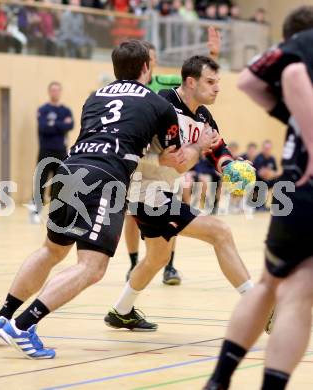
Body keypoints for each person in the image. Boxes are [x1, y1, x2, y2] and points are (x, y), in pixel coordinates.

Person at [0, 39, 186, 359]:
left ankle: (1, 316)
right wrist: (202, 147)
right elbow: (173, 159)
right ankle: (23, 325)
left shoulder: (94, 97)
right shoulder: (159, 104)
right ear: (147, 67)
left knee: (51, 249)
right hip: (105, 180)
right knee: (93, 266)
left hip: (68, 170)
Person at [104, 55, 256, 332]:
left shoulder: (203, 116)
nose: (217, 88)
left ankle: (121, 311)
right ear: (190, 82)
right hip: (145, 192)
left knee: (158, 258)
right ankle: (258, 306)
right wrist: (185, 151)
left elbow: (217, 149)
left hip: (163, 192)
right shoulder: (161, 106)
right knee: (219, 232)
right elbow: (154, 155)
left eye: (218, 82)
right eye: (210, 82)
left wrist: (233, 167)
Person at [204, 6, 313, 390]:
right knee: (300, 298)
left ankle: (218, 380)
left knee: (270, 285)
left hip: (296, 188)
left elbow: (250, 81)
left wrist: (289, 115)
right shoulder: (306, 48)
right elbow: (296, 71)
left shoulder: (300, 97)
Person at [125, 26, 221, 285]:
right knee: (132, 218)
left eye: (155, 57)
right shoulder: (135, 92)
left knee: (181, 193)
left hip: (172, 165)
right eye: (149, 58)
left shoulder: (164, 84)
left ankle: (168, 266)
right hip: (146, 170)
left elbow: (193, 78)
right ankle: (134, 263)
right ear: (142, 63)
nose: (152, 62)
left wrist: (211, 54)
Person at [28, 81, 74, 224]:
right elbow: (43, 128)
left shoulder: (66, 110)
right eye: (53, 90)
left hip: (61, 151)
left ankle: (55, 215)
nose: (55, 93)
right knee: (41, 181)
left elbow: (70, 125)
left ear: (60, 92)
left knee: (58, 183)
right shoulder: (43, 109)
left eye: (57, 90)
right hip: (45, 150)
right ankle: (35, 211)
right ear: (49, 92)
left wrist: (53, 124)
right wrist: (61, 125)